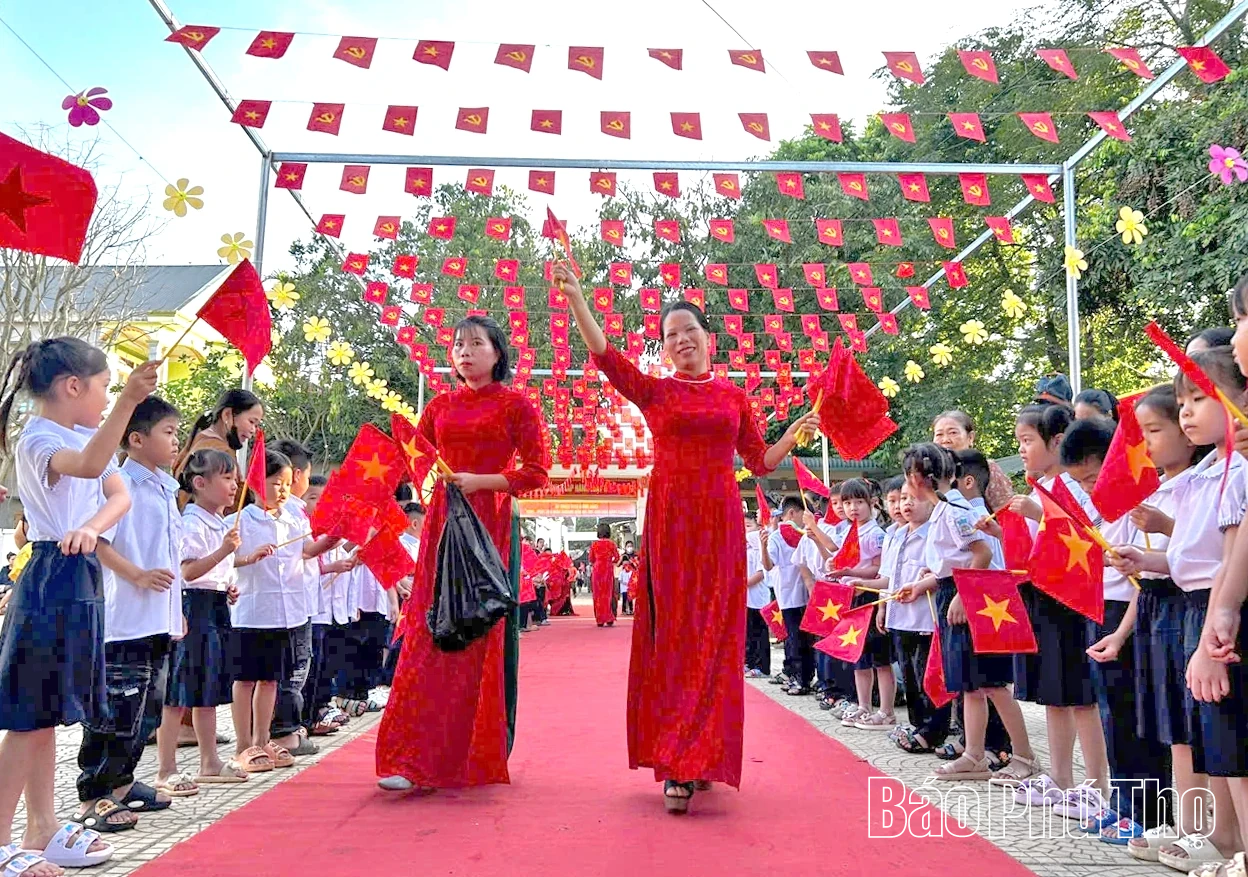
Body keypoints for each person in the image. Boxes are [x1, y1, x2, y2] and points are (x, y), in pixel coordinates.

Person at [557, 262, 819, 813]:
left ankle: (703, 755)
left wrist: (792, 435)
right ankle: (676, 761)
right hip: (672, 523)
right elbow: (606, 357)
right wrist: (580, 299)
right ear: (665, 347)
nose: (681, 340)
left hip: (720, 522)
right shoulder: (655, 392)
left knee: (715, 639)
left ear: (709, 339)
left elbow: (759, 461)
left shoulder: (732, 397)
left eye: (690, 332)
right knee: (674, 638)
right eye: (671, 335)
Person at [0, 339, 158, 873]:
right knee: (29, 715)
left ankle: (41, 827)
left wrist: (91, 528)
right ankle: (1, 837)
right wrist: (129, 403)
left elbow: (119, 495)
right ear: (73, 387)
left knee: (45, 715)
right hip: (49, 574)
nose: (109, 397)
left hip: (80, 572)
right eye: (105, 387)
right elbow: (92, 468)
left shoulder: (89, 433)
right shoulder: (39, 439)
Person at [376, 315, 550, 792]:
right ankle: (413, 759)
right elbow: (416, 463)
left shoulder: (517, 406)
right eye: (458, 344)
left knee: (474, 630)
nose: (465, 351)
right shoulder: (438, 407)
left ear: (498, 353)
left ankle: (472, 753)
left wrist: (485, 481)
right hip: (441, 525)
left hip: (489, 526)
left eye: (477, 343)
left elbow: (538, 472)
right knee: (430, 630)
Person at [1112, 347, 1247, 869]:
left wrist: (1219, 622)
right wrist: (1144, 556)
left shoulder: (1233, 473)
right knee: (1203, 734)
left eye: (1198, 398)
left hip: (1212, 610)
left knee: (1225, 739)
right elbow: (1187, 556)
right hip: (1197, 607)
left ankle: (1228, 840)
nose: (1187, 411)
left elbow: (1224, 562)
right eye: (1183, 400)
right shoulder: (1207, 474)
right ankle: (1219, 837)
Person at [897, 443, 1040, 786]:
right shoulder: (943, 511)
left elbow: (982, 552)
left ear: (916, 478)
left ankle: (1024, 755)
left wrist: (962, 595)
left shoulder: (954, 510)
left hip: (970, 594)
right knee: (970, 684)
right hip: (954, 590)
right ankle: (973, 754)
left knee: (991, 682)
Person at [1061, 418, 1174, 841]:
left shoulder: (1142, 503)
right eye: (1082, 482)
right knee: (1113, 715)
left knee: (1132, 717)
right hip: (1103, 609)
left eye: (1092, 478)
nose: (1089, 488)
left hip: (1129, 612)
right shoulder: (1102, 506)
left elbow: (1147, 578)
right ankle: (1124, 805)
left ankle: (1149, 813)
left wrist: (1123, 631)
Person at [1004, 403, 1111, 820]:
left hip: (1076, 597)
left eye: (1028, 441)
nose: (1024, 450)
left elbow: (1088, 536)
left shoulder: (1077, 485)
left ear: (1056, 442)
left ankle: (1096, 784)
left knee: (1081, 696)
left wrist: (1042, 514)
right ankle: (1062, 779)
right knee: (1055, 694)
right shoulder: (1041, 486)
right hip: (1044, 595)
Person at [82, 397, 187, 816]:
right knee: (116, 709)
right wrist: (138, 576)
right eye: (168, 432)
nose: (176, 440)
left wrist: (175, 608)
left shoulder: (166, 489)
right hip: (126, 619)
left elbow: (170, 555)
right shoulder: (119, 486)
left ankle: (123, 784)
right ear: (137, 439)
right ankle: (94, 794)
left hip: (158, 619)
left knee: (146, 710)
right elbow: (98, 543)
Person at [159, 449, 250, 786]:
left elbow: (212, 574)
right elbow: (187, 571)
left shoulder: (218, 523)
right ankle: (166, 768)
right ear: (199, 483)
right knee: (180, 690)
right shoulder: (192, 522)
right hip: (191, 609)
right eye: (226, 478)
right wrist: (223, 552)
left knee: (207, 686)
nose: (234, 485)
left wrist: (226, 588)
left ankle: (209, 761)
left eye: (234, 478)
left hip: (212, 605)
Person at [268, 439, 337, 758]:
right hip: (287, 605)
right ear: (298, 475)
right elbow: (306, 551)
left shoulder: (293, 511)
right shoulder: (289, 512)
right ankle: (283, 732)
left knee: (296, 670)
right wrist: (334, 537)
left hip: (300, 602)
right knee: (291, 672)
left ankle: (288, 728)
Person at [225, 449, 294, 774]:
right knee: (245, 679)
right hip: (249, 612)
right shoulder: (237, 521)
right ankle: (243, 745)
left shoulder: (290, 521)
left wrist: (329, 544)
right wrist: (246, 558)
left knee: (270, 680)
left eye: (288, 483)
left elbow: (303, 553)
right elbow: (223, 560)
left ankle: (262, 738)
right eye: (277, 482)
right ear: (256, 482)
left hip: (279, 613)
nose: (283, 490)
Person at [761, 497, 814, 696]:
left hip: (808, 593)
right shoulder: (776, 537)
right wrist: (764, 547)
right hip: (789, 595)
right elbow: (768, 565)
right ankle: (798, 677)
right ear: (792, 513)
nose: (805, 519)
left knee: (806, 639)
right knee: (794, 638)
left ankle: (805, 678)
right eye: (803, 514)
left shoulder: (805, 534)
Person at [932, 410, 1014, 514]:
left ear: (970, 437)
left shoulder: (987, 468)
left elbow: (1006, 511)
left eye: (953, 433)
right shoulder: (930, 474)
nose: (945, 440)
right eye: (939, 434)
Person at [743, 513, 769, 678]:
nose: (745, 532)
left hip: (760, 598)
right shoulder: (745, 549)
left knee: (761, 633)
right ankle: (749, 661)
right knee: (749, 632)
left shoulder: (761, 549)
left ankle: (762, 666)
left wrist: (744, 584)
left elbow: (761, 573)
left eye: (748, 526)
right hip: (747, 599)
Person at [589, 524, 620, 628]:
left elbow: (591, 559)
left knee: (597, 595)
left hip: (597, 570)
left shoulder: (594, 544)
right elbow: (616, 558)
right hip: (607, 569)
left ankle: (600, 619)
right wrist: (610, 560)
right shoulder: (611, 544)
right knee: (608, 593)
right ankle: (609, 617)